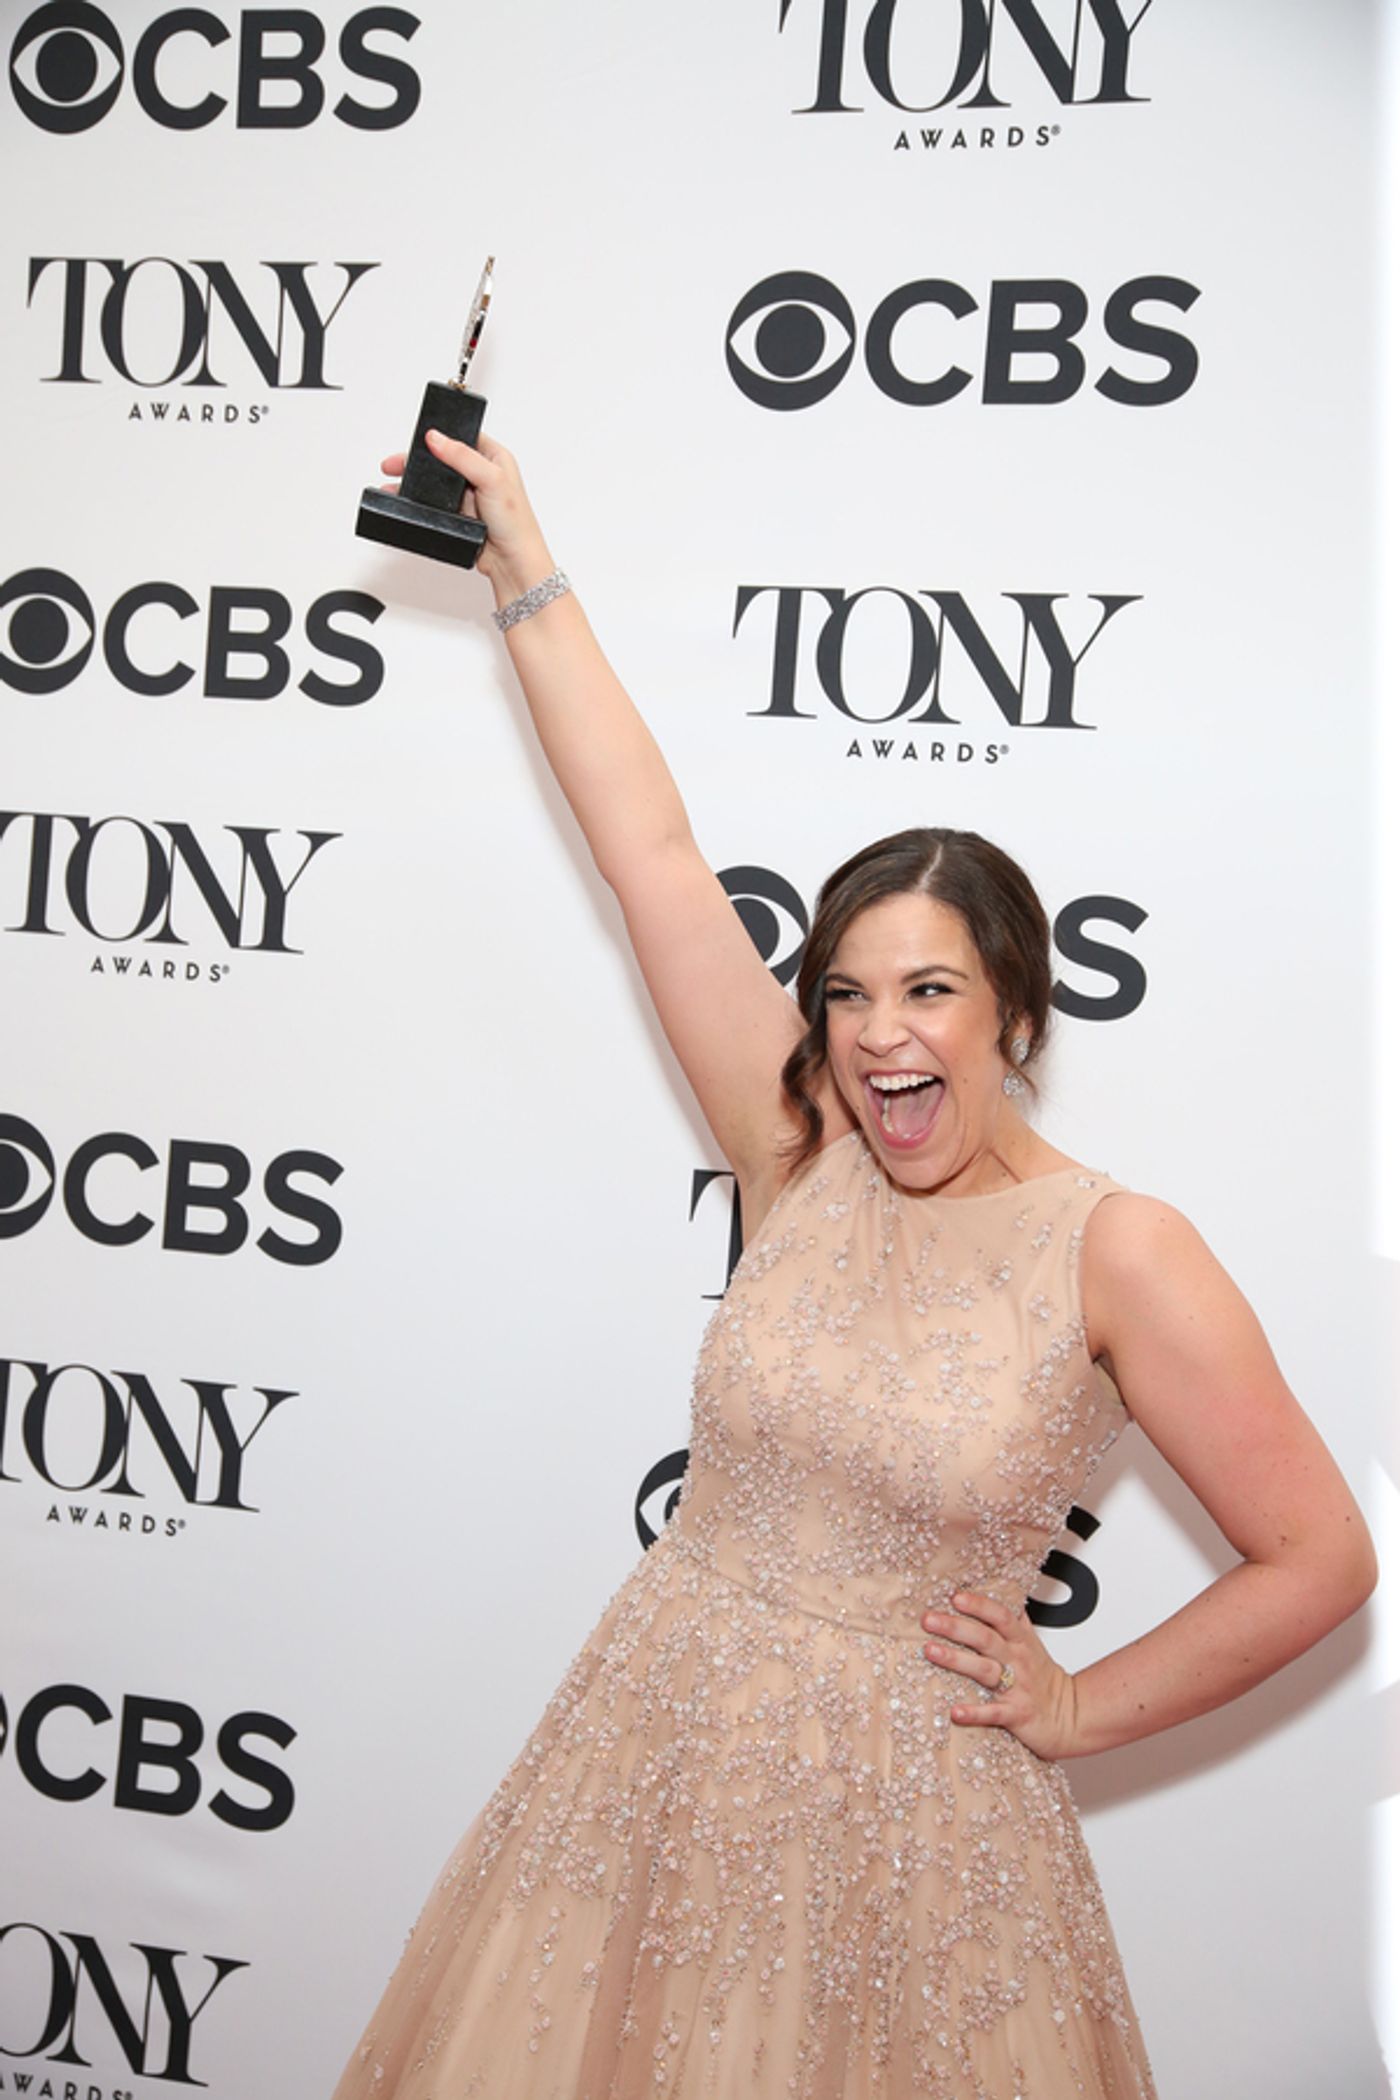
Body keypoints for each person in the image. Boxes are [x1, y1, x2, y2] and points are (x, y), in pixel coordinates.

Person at [331, 429, 1377, 2100]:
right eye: (847, 992)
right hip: (649, 1765)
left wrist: (1081, 1706)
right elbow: (656, 861)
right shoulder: (798, 1146)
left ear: (1018, 1019)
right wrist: (520, 562)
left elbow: (1319, 1557)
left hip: (917, 1840)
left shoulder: (1123, 1251)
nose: (882, 1034)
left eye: (933, 992)